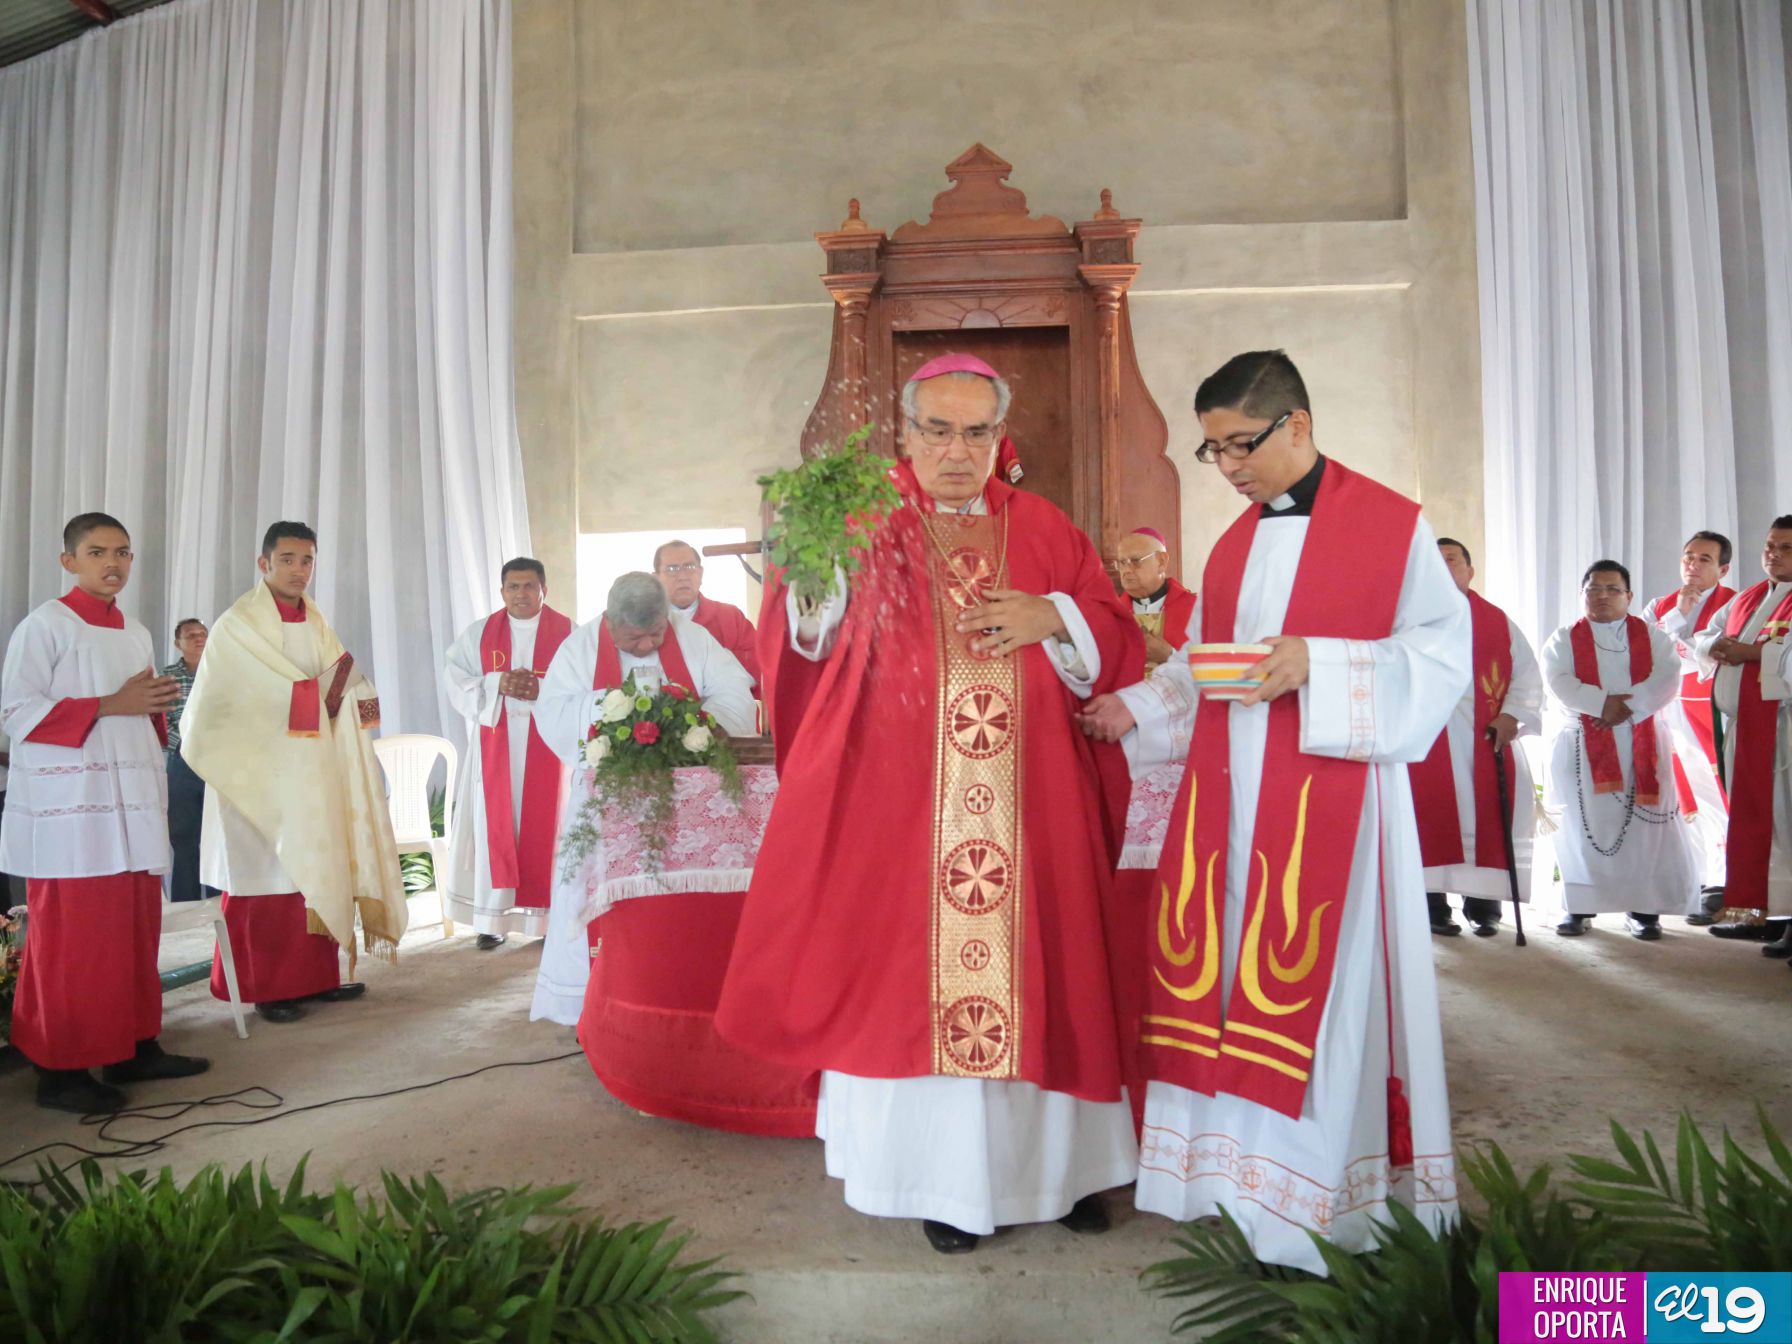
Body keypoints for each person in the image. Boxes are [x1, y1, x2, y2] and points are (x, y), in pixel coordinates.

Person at [717, 352, 1144, 1255]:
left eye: (978, 432)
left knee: (1047, 971)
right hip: (904, 811)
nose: (959, 451)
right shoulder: (864, 522)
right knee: (909, 987)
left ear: (1000, 437)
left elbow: (1111, 627)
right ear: (905, 435)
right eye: (939, 430)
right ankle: (939, 1186)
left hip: (1032, 812)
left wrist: (1056, 616)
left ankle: (1058, 1174)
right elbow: (804, 640)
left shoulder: (1045, 528)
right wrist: (810, 570)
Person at [1078, 349, 1469, 1273]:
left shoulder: (1391, 527)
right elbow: (1200, 663)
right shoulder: (1236, 542)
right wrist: (1130, 706)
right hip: (1231, 805)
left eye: (1237, 446)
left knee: (1323, 1000)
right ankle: (1242, 1191)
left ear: (1296, 424)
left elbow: (1441, 660)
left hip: (1337, 806)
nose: (1228, 469)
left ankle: (1325, 1210)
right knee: (1221, 987)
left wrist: (1322, 666)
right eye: (1213, 452)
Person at [0, 513, 208, 1112]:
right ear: (69, 562)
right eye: (96, 553)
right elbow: (16, 713)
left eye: (122, 552)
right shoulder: (44, 627)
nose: (112, 564)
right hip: (73, 811)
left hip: (132, 801)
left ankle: (133, 1047)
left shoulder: (138, 632)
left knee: (134, 930)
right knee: (74, 940)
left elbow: (143, 711)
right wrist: (113, 703)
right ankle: (59, 1072)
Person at [182, 522, 407, 1022]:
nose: (298, 570)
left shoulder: (315, 619)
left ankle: (318, 978)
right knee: (266, 879)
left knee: (313, 870)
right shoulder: (236, 625)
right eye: (287, 559)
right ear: (264, 564)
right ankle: (268, 988)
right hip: (255, 776)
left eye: (306, 560)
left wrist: (357, 696)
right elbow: (227, 703)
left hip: (308, 769)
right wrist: (312, 696)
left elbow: (335, 676)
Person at [529, 572, 756, 1026]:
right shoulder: (579, 649)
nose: (646, 645)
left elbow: (734, 690)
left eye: (656, 634)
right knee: (586, 885)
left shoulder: (694, 638)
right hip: (608, 790)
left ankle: (688, 985)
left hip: (691, 790)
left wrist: (691, 722)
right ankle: (585, 1002)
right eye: (634, 638)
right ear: (611, 624)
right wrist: (621, 709)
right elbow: (554, 710)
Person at [1539, 561, 1694, 938]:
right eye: (1593, 589)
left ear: (1628, 596)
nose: (1602, 596)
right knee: (1579, 826)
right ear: (1582, 594)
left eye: (1611, 589)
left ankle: (1643, 908)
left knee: (1644, 827)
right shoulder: (1563, 638)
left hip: (1642, 740)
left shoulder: (1654, 638)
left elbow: (1667, 677)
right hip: (1581, 740)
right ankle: (1578, 905)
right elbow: (1557, 679)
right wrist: (1600, 705)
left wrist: (1626, 708)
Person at [1412, 538, 1542, 937]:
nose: (1443, 568)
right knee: (1428, 819)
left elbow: (1526, 674)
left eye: (1451, 561)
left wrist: (1510, 715)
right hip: (1425, 741)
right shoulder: (1404, 620)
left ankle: (1484, 905)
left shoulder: (1497, 622)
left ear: (1470, 572)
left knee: (1486, 813)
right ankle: (1434, 905)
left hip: (1485, 738)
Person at [440, 558, 571, 950]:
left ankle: (544, 921)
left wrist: (540, 692)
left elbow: (585, 684)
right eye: (513, 587)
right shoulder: (479, 634)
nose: (521, 594)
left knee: (551, 827)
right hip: (495, 749)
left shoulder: (568, 633)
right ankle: (492, 919)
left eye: (529, 586)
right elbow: (455, 678)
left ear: (544, 589)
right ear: (502, 592)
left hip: (548, 749)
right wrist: (498, 682)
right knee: (494, 829)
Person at [1692, 517, 1792, 956]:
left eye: (1785, 547)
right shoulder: (1751, 596)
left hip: (1785, 731)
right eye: (1769, 545)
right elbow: (1705, 633)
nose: (1773, 554)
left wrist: (1753, 653)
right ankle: (1763, 913)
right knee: (1756, 822)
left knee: (1786, 825)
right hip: (1748, 729)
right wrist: (1714, 647)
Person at [1646, 532, 1735, 924]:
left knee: (1715, 797)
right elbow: (1648, 653)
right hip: (1666, 714)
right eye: (1688, 557)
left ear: (1723, 569)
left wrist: (1678, 625)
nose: (1692, 565)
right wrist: (1677, 616)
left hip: (1710, 713)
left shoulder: (1735, 604)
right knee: (1677, 799)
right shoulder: (1660, 604)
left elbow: (1710, 655)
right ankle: (1689, 879)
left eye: (1703, 559)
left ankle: (1720, 882)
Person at [655, 540, 760, 691]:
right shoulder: (647, 622)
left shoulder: (730, 617)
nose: (683, 576)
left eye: (690, 567)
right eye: (672, 569)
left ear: (700, 573)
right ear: (656, 577)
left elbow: (759, 667)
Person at [160, 618, 215, 904]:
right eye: (191, 635)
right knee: (184, 838)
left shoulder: (221, 672)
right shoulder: (167, 677)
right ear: (177, 643)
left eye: (203, 634)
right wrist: (181, 743)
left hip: (218, 762)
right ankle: (187, 907)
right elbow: (158, 720)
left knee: (217, 837)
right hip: (181, 763)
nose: (199, 639)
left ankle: (221, 908)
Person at [1115, 526, 1197, 678]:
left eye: (1135, 561)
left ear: (1161, 562)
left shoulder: (1195, 609)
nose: (1126, 570)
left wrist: (1170, 655)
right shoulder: (1112, 613)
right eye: (1121, 562)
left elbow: (1213, 669)